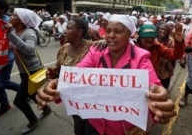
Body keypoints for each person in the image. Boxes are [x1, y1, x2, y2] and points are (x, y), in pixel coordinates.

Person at [36, 15, 177, 135]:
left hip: (123, 129)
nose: (110, 35)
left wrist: (158, 97)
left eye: (118, 31)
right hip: (94, 124)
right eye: (108, 31)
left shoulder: (140, 57)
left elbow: (152, 84)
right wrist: (58, 85)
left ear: (129, 34)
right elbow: (78, 75)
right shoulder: (96, 52)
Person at [43, 17, 97, 135]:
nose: (64, 31)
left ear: (79, 32)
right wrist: (54, 74)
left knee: (88, 124)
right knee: (77, 120)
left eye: (68, 28)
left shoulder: (93, 47)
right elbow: (59, 71)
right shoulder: (64, 48)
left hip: (89, 96)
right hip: (70, 95)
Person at [7, 8, 51, 134]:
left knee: (19, 100)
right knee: (32, 93)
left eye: (14, 15)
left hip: (31, 70)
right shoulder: (15, 31)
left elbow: (30, 50)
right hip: (23, 70)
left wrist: (11, 35)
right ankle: (46, 109)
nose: (11, 17)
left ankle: (33, 120)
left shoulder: (29, 32)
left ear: (21, 20)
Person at [156, 23, 177, 89]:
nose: (163, 31)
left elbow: (176, 52)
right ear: (157, 30)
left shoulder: (171, 42)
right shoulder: (152, 40)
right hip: (154, 68)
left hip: (166, 70)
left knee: (163, 87)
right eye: (161, 29)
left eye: (166, 30)